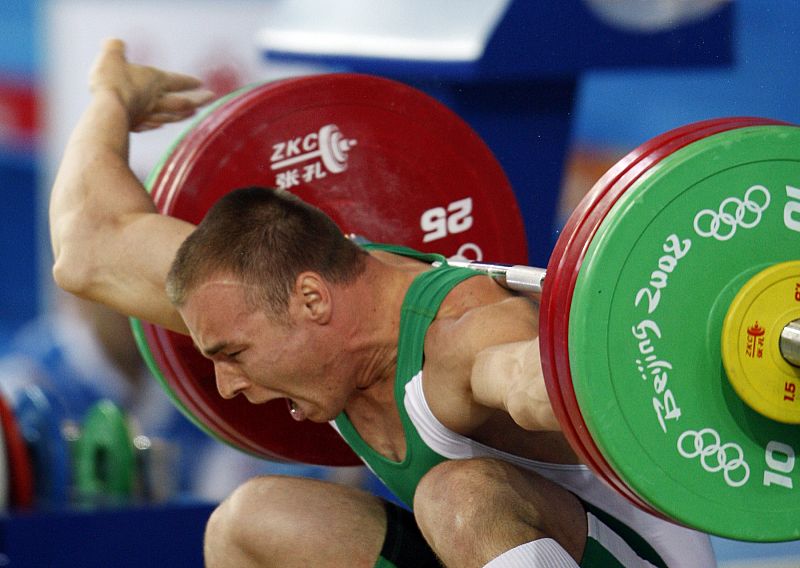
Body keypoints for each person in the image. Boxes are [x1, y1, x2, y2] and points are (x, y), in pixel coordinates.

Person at [48, 38, 716, 567]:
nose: (225, 383)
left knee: (457, 493)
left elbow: (523, 374)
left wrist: (640, 356)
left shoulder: (462, 334)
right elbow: (88, 246)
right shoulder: (256, 290)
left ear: (313, 300)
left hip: (633, 555)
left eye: (234, 356)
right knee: (248, 524)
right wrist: (112, 96)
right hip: (485, 549)